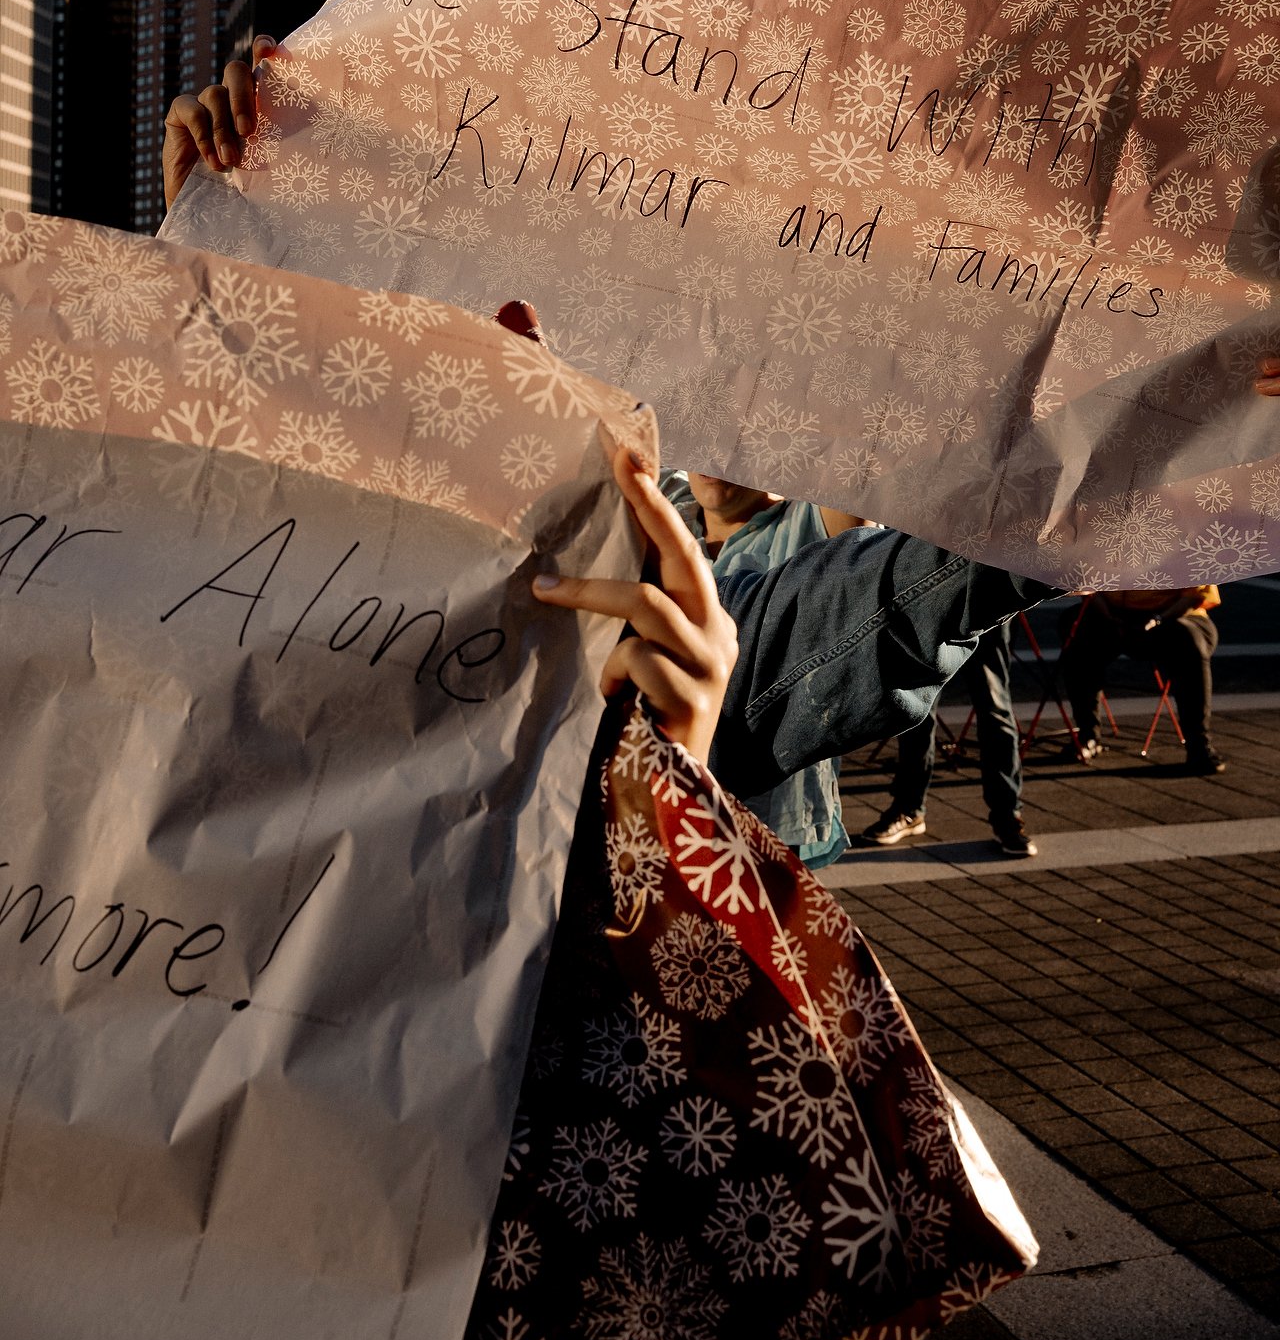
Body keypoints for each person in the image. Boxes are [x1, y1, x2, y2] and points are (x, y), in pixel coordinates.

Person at [162, 45, 1280, 793]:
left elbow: (850, 609)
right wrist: (202, 267)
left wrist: (678, 753)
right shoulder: (164, 586)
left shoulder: (606, 627)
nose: (523, 333)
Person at [660, 469, 880, 867]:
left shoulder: (807, 521)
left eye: (736, 438)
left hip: (768, 818)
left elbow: (850, 466)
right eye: (707, 430)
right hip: (660, 792)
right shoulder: (666, 507)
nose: (714, 455)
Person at [859, 619, 1036, 857]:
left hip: (986, 600)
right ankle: (909, 807)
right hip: (944, 602)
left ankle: (1007, 816)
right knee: (922, 707)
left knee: (993, 709)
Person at [1060, 585, 1224, 773]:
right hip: (1110, 613)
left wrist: (1158, 619)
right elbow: (1088, 586)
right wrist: (1109, 617)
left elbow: (1193, 596)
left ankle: (1199, 744)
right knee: (1074, 629)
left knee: (1189, 641)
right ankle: (1087, 735)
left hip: (1175, 614)